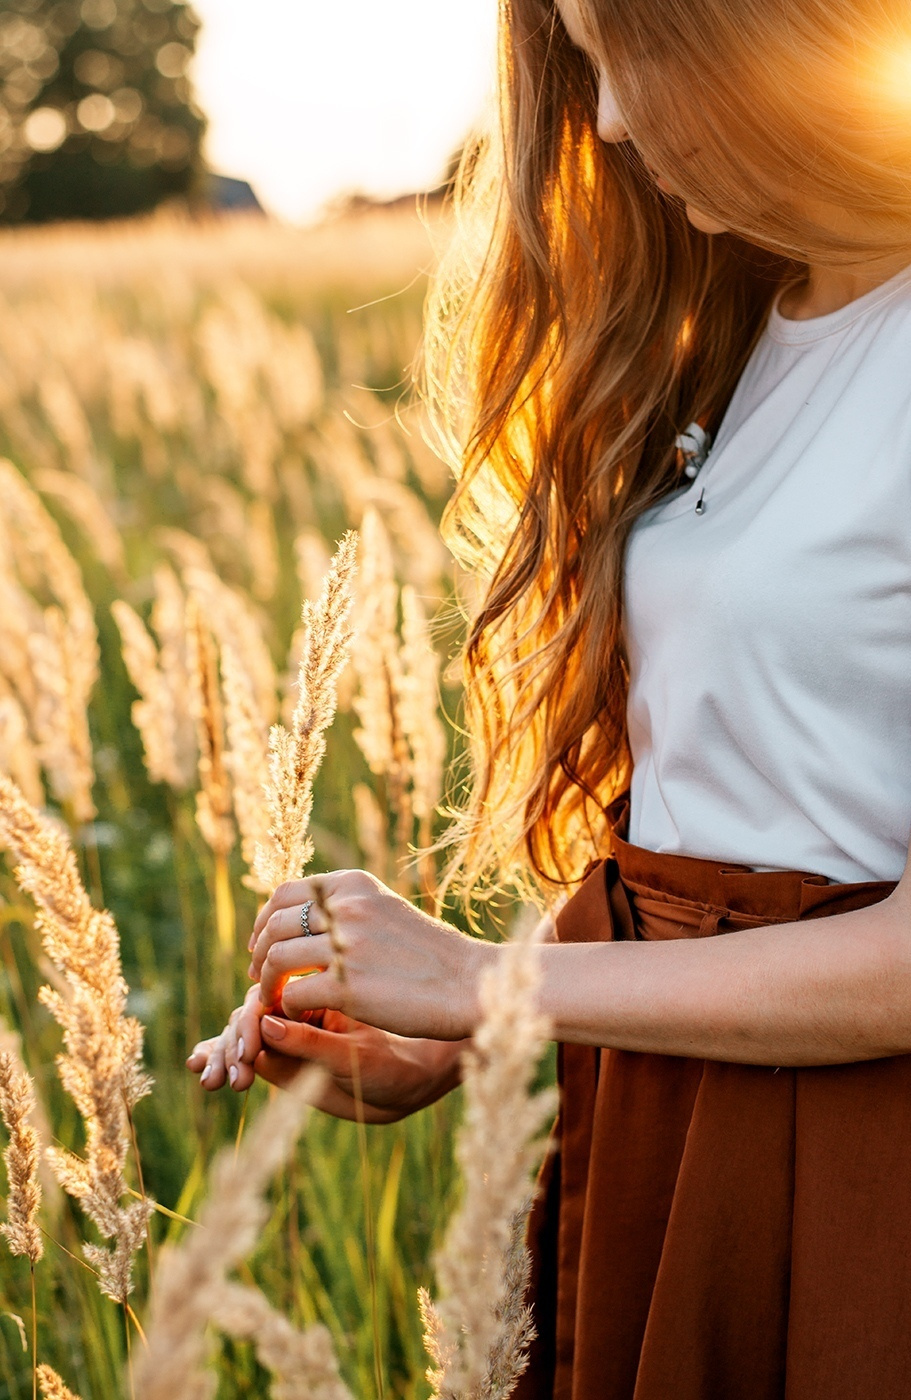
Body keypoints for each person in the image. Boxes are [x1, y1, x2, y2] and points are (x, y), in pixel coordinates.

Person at [187, 0, 911, 1392]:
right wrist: (458, 1029)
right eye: (583, 61)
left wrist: (490, 979)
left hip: (866, 1151)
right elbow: (750, 800)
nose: (615, 120)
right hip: (668, 1111)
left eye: (636, 51)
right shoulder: (754, 319)